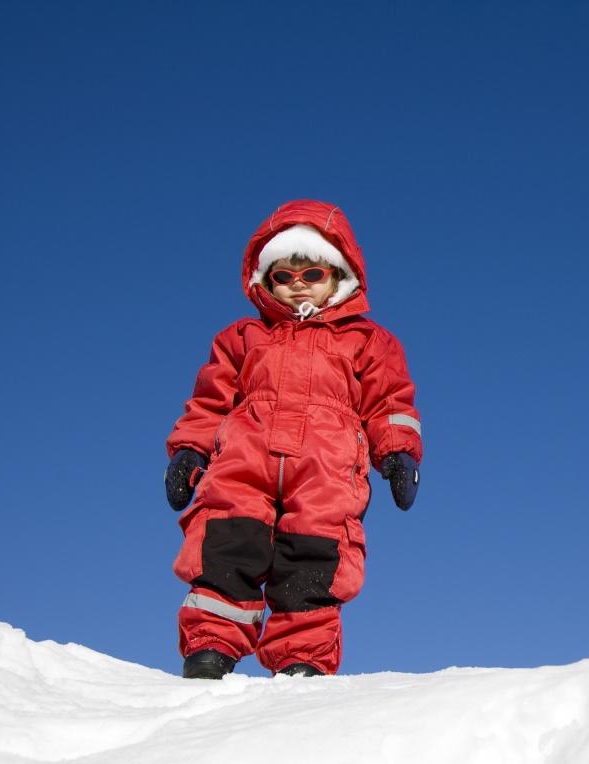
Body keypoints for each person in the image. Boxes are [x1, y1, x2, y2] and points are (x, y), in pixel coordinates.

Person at [163, 199, 422, 679]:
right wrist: (189, 449)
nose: (296, 286)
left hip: (327, 467)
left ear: (337, 276)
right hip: (243, 460)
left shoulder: (368, 341)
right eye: (283, 276)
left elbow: (389, 402)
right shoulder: (243, 337)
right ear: (264, 280)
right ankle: (210, 647)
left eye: (311, 275)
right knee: (225, 543)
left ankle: (301, 657)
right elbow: (210, 401)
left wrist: (398, 453)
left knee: (315, 556)